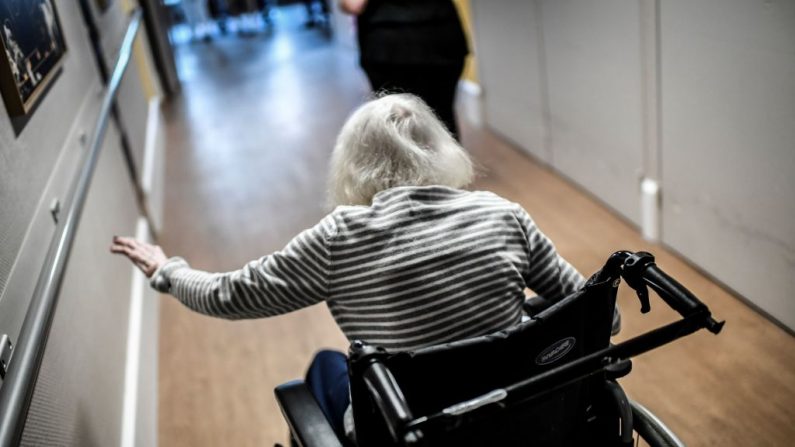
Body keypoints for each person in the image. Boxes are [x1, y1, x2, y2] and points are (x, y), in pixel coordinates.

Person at [111, 94, 592, 440]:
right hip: (526, 411)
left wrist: (165, 270)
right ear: (441, 148)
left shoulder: (340, 238)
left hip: (410, 426)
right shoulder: (501, 213)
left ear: (351, 166)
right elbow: (597, 316)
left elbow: (231, 294)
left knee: (326, 366)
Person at [340, 0, 469, 140]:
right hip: (440, 35)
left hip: (388, 45)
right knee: (443, 120)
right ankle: (449, 160)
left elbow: (353, 4)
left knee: (398, 128)